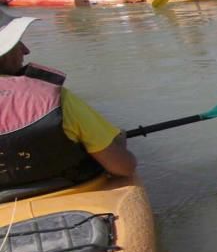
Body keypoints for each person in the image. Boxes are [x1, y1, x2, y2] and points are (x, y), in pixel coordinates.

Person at [0, 11, 137, 195]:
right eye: (17, 43)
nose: (26, 50)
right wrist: (119, 142)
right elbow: (123, 168)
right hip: (73, 190)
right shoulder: (54, 98)